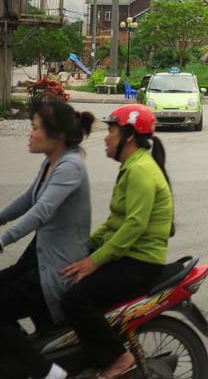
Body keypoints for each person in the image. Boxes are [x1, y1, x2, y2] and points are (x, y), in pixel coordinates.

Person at [0, 99, 94, 379]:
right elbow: (27, 199)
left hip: (58, 268)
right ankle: (22, 351)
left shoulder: (70, 166)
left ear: (56, 135)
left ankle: (47, 372)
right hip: (39, 259)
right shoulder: (53, 162)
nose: (30, 133)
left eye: (34, 127)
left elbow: (40, 212)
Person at [61, 104, 173, 379]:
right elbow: (114, 224)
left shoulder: (140, 172)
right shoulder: (132, 166)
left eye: (111, 130)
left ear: (129, 136)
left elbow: (133, 227)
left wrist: (93, 261)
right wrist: (84, 247)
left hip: (140, 261)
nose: (105, 137)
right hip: (130, 256)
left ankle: (119, 358)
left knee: (76, 299)